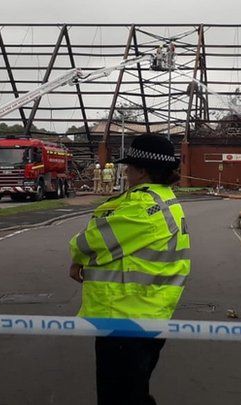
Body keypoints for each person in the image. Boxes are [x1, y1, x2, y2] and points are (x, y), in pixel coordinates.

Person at [69, 133, 189, 405]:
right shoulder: (165, 198)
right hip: (150, 312)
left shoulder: (140, 205)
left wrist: (77, 256)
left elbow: (93, 241)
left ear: (142, 171)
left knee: (118, 396)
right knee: (135, 390)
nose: (125, 171)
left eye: (129, 166)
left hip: (124, 315)